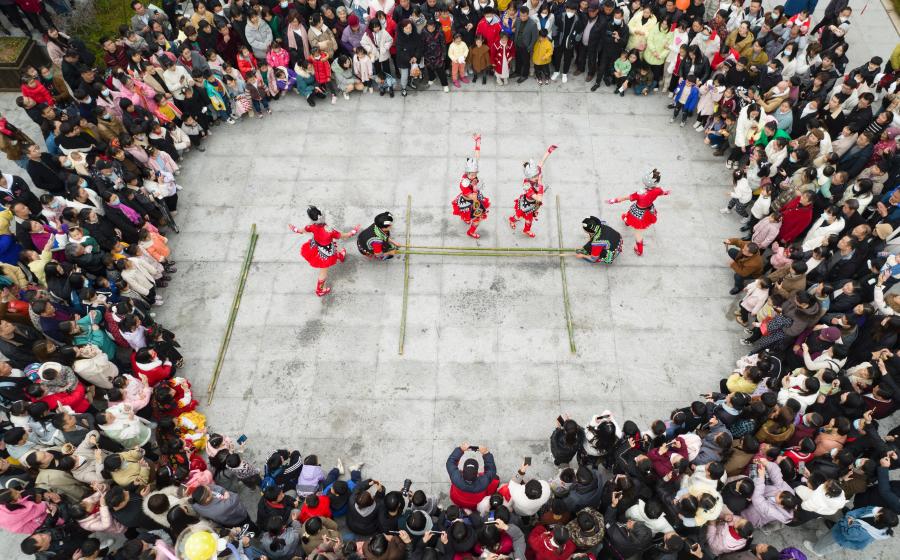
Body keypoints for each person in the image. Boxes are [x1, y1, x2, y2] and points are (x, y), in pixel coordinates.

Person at [290, 206, 360, 297]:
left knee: (334, 247)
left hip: (316, 246)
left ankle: (340, 255)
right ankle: (320, 290)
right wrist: (354, 231)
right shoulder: (330, 231)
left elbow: (300, 231)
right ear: (322, 215)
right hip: (326, 252)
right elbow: (345, 235)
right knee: (323, 271)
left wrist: (294, 228)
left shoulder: (310, 227)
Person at [604, 169, 671, 256]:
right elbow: (662, 193)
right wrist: (666, 193)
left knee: (637, 231)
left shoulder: (640, 193)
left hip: (638, 213)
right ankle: (629, 225)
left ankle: (639, 248)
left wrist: (614, 200)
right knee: (635, 226)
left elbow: (626, 198)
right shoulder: (658, 190)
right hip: (648, 211)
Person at [508, 145, 557, 237]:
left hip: (533, 204)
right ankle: (512, 220)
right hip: (526, 204)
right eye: (534, 177)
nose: (537, 177)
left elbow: (542, 161)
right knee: (518, 216)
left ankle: (526, 230)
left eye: (537, 175)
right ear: (529, 177)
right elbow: (539, 198)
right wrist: (540, 183)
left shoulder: (536, 172)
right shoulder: (527, 186)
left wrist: (549, 151)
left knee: (529, 220)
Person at [451, 134, 490, 239]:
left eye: (475, 173)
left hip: (473, 197)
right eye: (472, 174)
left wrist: (478, 142)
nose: (474, 176)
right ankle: (471, 232)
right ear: (467, 173)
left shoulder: (472, 173)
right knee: (478, 218)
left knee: (469, 217)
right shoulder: (464, 184)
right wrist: (475, 186)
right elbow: (474, 197)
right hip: (469, 200)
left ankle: (467, 221)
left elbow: (477, 157)